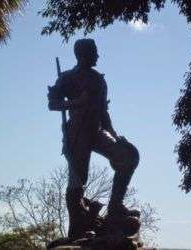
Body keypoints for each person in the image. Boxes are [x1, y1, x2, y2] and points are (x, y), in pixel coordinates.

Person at [48, 38, 140, 240]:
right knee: (78, 181)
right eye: (94, 52)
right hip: (77, 132)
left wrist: (115, 135)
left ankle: (116, 207)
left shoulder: (99, 79)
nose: (98, 55)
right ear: (82, 54)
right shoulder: (68, 78)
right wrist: (76, 102)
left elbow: (103, 111)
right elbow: (53, 104)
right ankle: (78, 226)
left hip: (97, 131)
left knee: (129, 156)